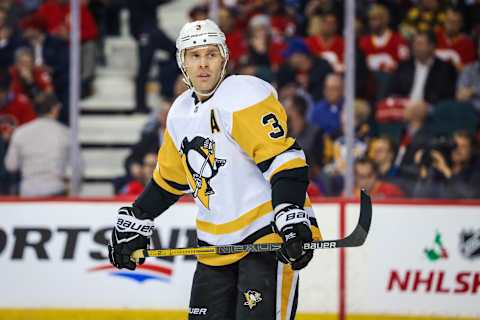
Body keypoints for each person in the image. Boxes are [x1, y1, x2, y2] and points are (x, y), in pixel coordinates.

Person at [108, 19, 322, 320]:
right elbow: (170, 180)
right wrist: (138, 217)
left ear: (224, 57)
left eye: (211, 54)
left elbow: (285, 160)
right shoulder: (180, 111)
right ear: (182, 62)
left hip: (264, 238)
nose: (203, 64)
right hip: (214, 248)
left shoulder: (244, 96)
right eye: (194, 56)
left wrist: (289, 212)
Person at [5, 93, 70, 197]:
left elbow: (11, 165)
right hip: (55, 191)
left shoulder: (20, 132)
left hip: (28, 191)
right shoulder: (65, 133)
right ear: (55, 109)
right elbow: (76, 168)